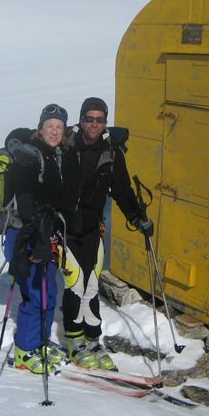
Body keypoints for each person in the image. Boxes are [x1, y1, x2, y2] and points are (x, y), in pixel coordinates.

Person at [62, 97, 153, 370]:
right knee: (75, 284)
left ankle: (92, 340)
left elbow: (122, 190)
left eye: (99, 120)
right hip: (64, 228)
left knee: (91, 286)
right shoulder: (64, 147)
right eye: (88, 119)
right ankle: (74, 341)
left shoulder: (112, 152)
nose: (93, 124)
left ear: (105, 122)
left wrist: (137, 217)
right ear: (80, 120)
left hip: (91, 228)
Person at [5, 104, 78, 374]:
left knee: (49, 292)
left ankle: (39, 342)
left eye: (59, 127)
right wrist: (37, 232)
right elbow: (24, 201)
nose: (54, 131)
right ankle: (25, 351)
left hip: (46, 233)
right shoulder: (29, 156)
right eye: (50, 126)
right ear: (41, 128)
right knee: (36, 295)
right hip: (26, 234)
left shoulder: (57, 154)